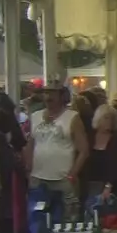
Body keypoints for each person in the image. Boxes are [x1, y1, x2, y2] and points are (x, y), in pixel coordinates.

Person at [25, 86, 89, 221]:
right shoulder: (35, 116)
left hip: (63, 178)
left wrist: (72, 174)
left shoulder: (72, 117)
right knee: (38, 219)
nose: (48, 97)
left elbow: (83, 150)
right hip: (38, 177)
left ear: (62, 97)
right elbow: (30, 144)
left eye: (52, 93)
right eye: (45, 93)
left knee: (68, 219)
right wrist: (28, 169)